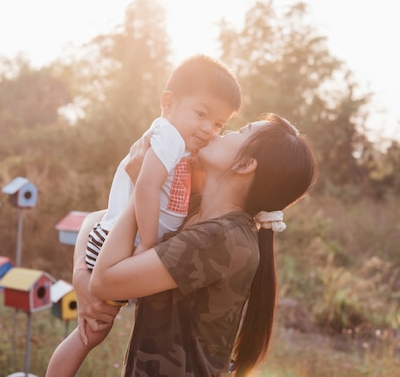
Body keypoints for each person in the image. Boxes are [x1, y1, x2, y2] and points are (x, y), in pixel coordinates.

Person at [68, 113, 318, 376]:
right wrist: (79, 273)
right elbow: (97, 220)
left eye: (241, 132)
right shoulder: (194, 208)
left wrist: (141, 185)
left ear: (245, 165)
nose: (225, 132)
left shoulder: (220, 239)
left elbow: (106, 281)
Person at [45, 55, 241, 377]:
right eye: (201, 114)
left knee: (92, 333)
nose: (208, 129)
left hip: (124, 244)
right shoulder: (167, 138)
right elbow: (146, 187)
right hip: (119, 245)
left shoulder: (186, 150)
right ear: (169, 103)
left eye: (219, 123)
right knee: (89, 333)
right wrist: (148, 244)